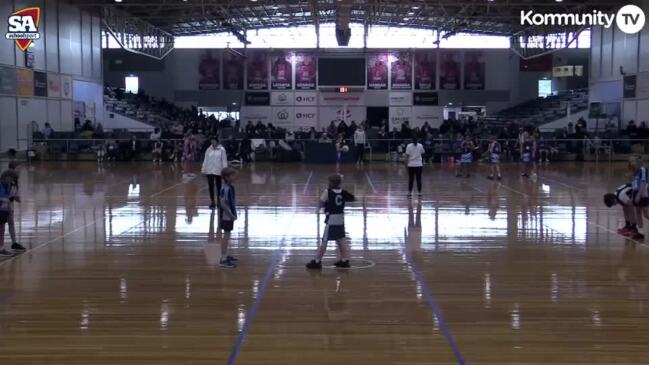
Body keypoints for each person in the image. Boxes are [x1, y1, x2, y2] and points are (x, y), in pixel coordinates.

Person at [306, 174, 356, 269]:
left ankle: (317, 261)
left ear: (331, 183)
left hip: (331, 219)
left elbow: (321, 203)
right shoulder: (343, 192)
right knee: (341, 239)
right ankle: (344, 260)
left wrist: (326, 206)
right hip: (340, 219)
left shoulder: (327, 192)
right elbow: (353, 198)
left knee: (325, 241)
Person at [0, 164, 25, 253]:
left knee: (9, 224)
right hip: (3, 207)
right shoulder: (5, 182)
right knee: (2, 226)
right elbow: (5, 197)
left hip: (7, 207)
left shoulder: (14, 181)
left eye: (20, 169)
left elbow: (11, 196)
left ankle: (13, 243)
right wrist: (7, 199)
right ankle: (1, 247)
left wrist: (15, 198)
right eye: (18, 168)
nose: (20, 171)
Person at [219, 167, 239, 268]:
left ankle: (226, 255)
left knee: (228, 235)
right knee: (226, 236)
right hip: (226, 216)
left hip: (230, 215)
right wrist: (231, 215)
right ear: (227, 177)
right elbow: (222, 203)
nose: (235, 177)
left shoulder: (230, 187)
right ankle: (223, 258)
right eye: (232, 175)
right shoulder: (226, 188)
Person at [201, 138, 228, 209]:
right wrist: (203, 169)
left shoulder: (222, 150)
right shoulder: (208, 150)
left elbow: (224, 161)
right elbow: (205, 160)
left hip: (218, 171)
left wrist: (224, 170)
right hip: (209, 171)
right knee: (211, 187)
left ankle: (219, 202)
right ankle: (212, 202)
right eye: (211, 140)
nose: (212, 141)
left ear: (216, 141)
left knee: (219, 187)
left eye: (214, 140)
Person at [629, 155, 649, 239]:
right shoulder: (635, 172)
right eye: (631, 161)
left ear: (638, 161)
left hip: (643, 195)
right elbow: (634, 184)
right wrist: (633, 195)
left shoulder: (643, 169)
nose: (632, 163)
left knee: (646, 214)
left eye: (633, 161)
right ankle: (641, 232)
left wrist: (639, 195)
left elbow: (644, 183)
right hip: (636, 194)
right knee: (638, 213)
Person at [0, 171, 19, 256]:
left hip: (4, 210)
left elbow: (9, 198)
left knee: (2, 229)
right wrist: (2, 200)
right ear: (6, 177)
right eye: (11, 178)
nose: (11, 180)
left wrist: (13, 197)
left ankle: (1, 248)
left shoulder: (8, 186)